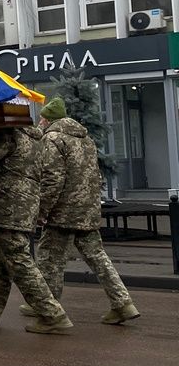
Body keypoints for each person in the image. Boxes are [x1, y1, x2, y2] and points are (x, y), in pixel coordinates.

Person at [34, 98, 140, 325]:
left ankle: (49, 309)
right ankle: (123, 303)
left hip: (63, 212)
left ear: (48, 119)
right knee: (98, 257)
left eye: (42, 118)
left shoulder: (52, 139)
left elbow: (52, 179)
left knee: (50, 259)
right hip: (87, 209)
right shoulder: (85, 139)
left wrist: (42, 210)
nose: (39, 122)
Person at [0, 125, 72, 334]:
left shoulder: (6, 136)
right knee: (1, 259)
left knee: (18, 260)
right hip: (24, 204)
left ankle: (51, 314)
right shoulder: (33, 137)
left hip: (8, 205)